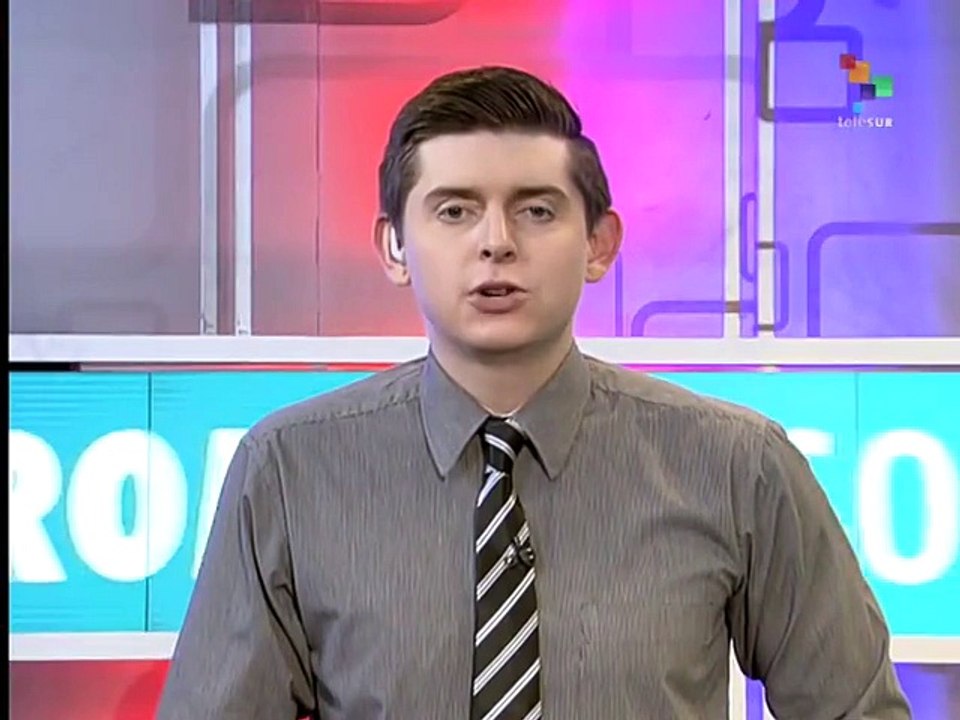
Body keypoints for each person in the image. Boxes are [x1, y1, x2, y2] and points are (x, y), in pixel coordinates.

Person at [157, 66, 911, 719]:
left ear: (598, 244)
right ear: (394, 246)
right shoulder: (289, 470)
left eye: (536, 210)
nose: (496, 241)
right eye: (455, 210)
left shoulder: (739, 466)